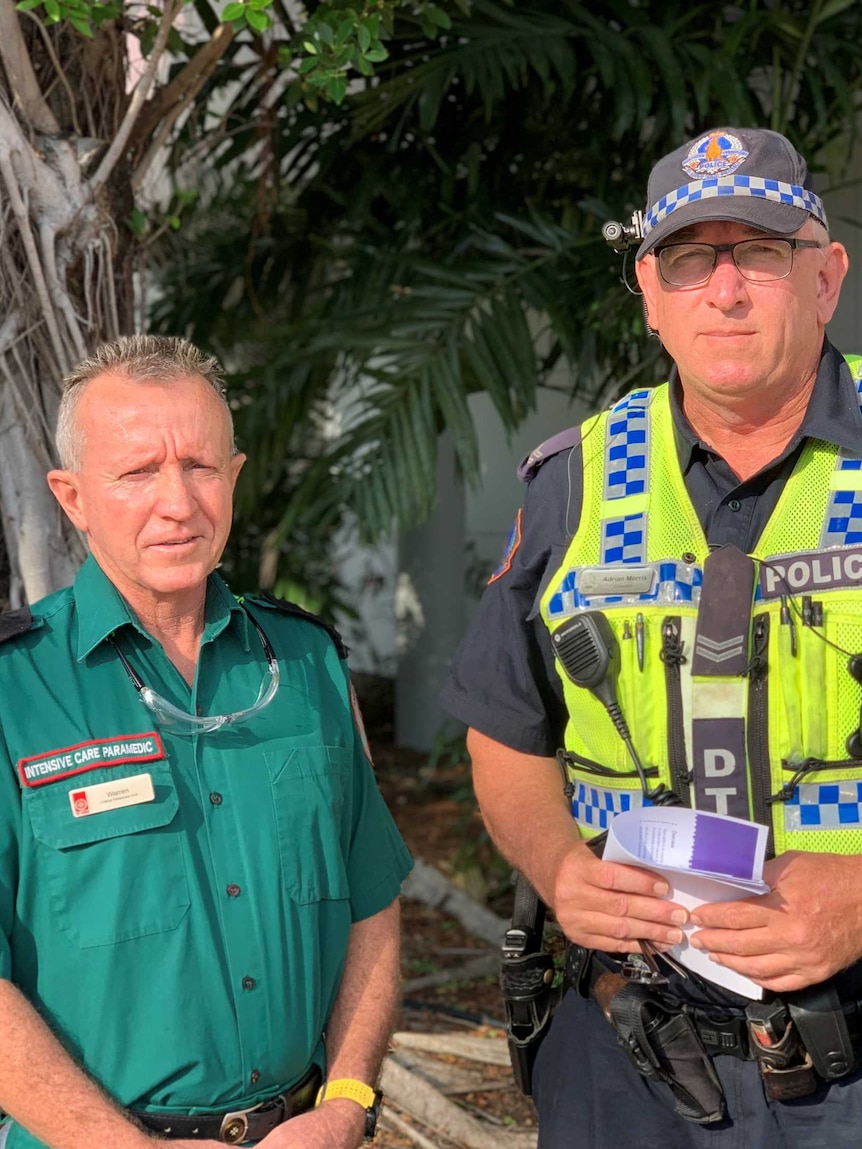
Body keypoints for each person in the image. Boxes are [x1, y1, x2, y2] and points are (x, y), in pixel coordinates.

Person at [442, 126, 862, 1146]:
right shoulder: (571, 484)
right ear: (648, 287)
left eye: (757, 253)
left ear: (825, 277)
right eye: (689, 260)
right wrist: (557, 867)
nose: (723, 290)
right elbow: (506, 728)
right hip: (627, 1055)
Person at [0, 335, 412, 1149]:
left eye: (199, 465)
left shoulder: (304, 663)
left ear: (235, 475)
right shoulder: (15, 690)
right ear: (72, 496)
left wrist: (347, 1102)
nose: (178, 501)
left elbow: (372, 902)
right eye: (137, 471)